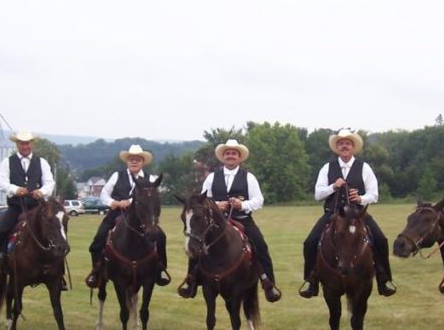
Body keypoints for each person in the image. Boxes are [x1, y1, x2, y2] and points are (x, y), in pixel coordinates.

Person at [177, 138, 282, 303]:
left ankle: (268, 282)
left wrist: (242, 204)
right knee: (196, 243)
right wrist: (217, 205)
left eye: (234, 153)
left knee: (260, 245)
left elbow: (259, 200)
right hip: (215, 223)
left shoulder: (249, 177)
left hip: (242, 219)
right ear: (223, 157)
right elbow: (201, 200)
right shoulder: (212, 177)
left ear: (239, 157)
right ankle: (190, 280)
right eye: (227, 153)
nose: (230, 156)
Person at [299, 128, 397, 299]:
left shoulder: (364, 167)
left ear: (353, 147)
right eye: (341, 143)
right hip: (333, 214)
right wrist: (333, 187)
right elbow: (318, 194)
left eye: (348, 143)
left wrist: (360, 198)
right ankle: (311, 280)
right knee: (310, 242)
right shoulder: (327, 168)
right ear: (337, 147)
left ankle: (383, 278)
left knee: (381, 240)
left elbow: (374, 195)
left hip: (358, 215)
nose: (344, 146)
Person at [84, 144, 171, 289]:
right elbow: (104, 193)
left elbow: (152, 198)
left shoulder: (151, 178)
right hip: (117, 213)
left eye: (137, 159)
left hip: (141, 217)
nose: (134, 162)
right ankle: (97, 271)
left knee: (161, 237)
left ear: (143, 162)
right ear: (127, 161)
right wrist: (114, 202)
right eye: (131, 159)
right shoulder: (117, 175)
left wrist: (129, 202)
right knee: (98, 240)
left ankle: (159, 270)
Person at [0, 130, 55, 285]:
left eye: (28, 143)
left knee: (55, 232)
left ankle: (57, 272)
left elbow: (50, 182)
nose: (25, 146)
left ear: (32, 144)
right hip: (16, 208)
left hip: (36, 208)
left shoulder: (41, 162)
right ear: (17, 144)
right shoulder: (7, 162)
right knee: (2, 230)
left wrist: (41, 191)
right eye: (22, 143)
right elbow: (1, 183)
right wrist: (15, 190)